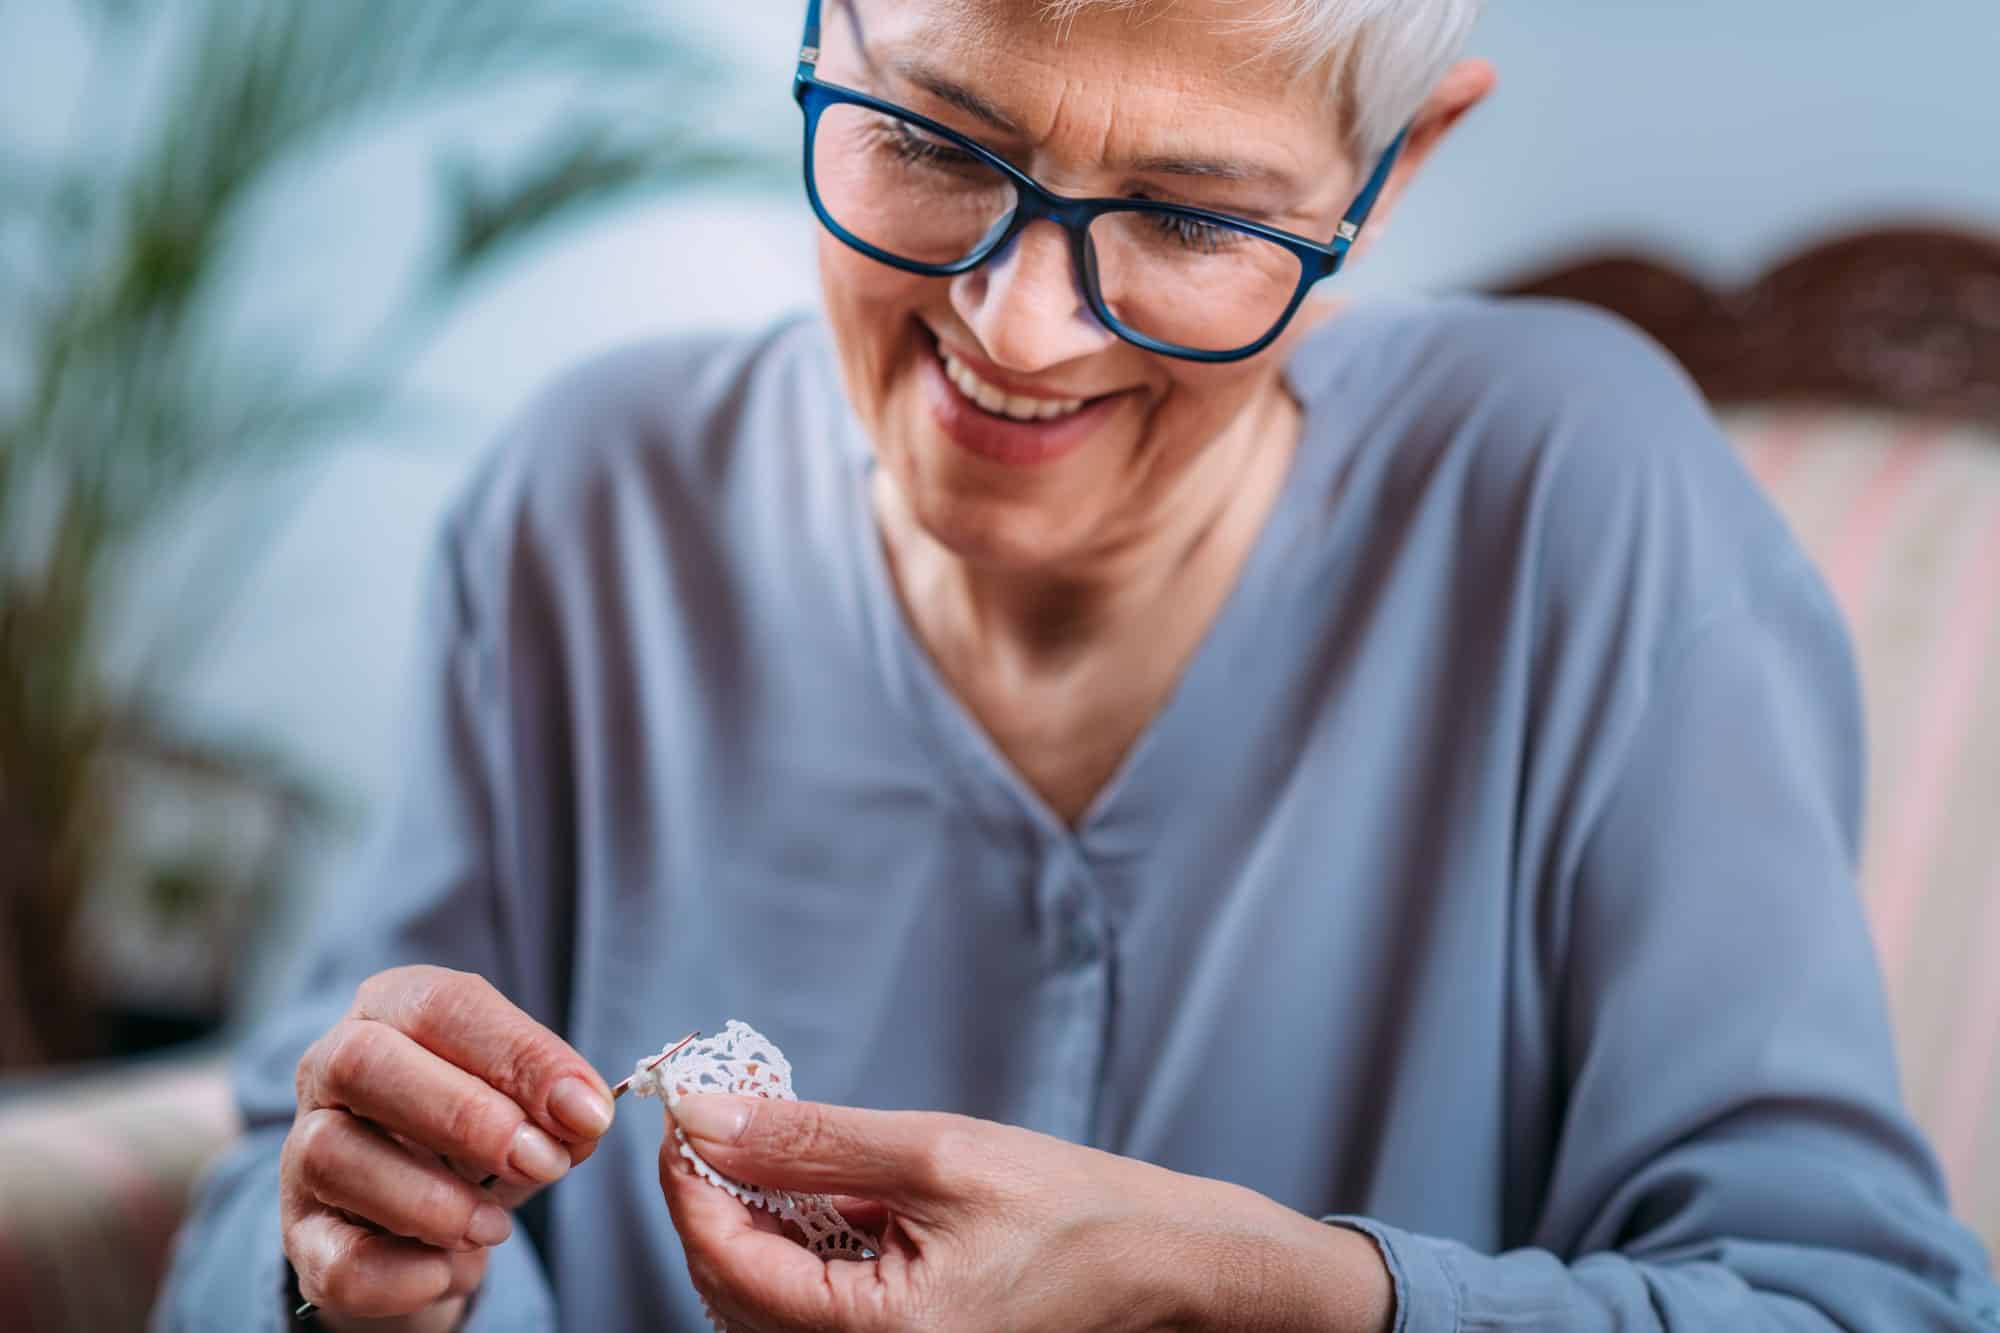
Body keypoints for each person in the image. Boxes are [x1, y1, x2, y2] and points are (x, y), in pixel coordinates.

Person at [156, 1, 2000, 1329]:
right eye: (936, 144)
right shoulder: (586, 510)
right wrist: (341, 1274)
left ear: (1398, 159)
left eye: (1193, 218)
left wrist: (1248, 1290)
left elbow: (1853, 1302)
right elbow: (269, 1200)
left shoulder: (1588, 512)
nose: (1012, 328)